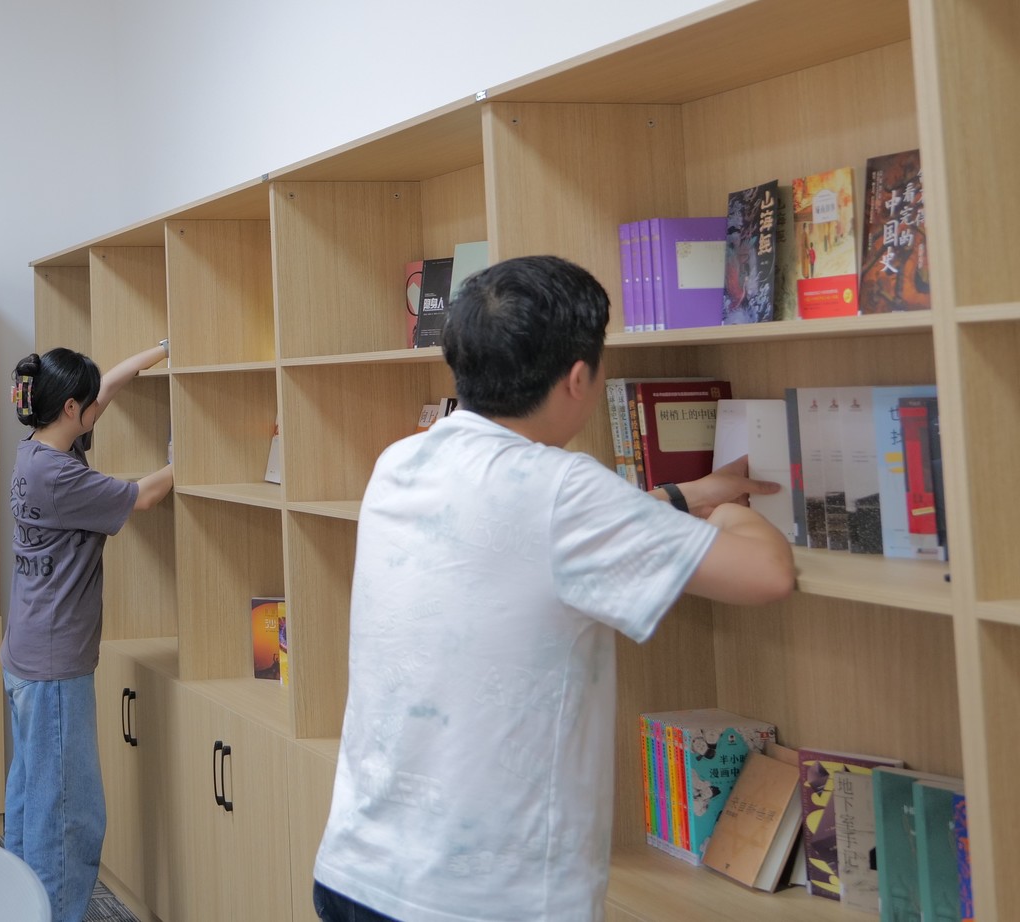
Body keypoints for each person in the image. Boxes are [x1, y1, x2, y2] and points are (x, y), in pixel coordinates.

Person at [311, 256, 795, 921]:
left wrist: (685, 496)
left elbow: (533, 534)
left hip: (359, 872)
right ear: (577, 379)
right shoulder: (563, 487)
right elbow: (767, 575)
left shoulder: (403, 459)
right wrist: (731, 515)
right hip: (481, 904)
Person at [3, 342, 174, 922]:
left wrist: (157, 352)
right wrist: (198, 450)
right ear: (70, 408)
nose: (94, 408)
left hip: (26, 655)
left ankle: (19, 908)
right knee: (68, 817)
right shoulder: (61, 477)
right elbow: (145, 496)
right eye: (86, 402)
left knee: (31, 800)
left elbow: (103, 395)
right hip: (55, 666)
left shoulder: (33, 451)